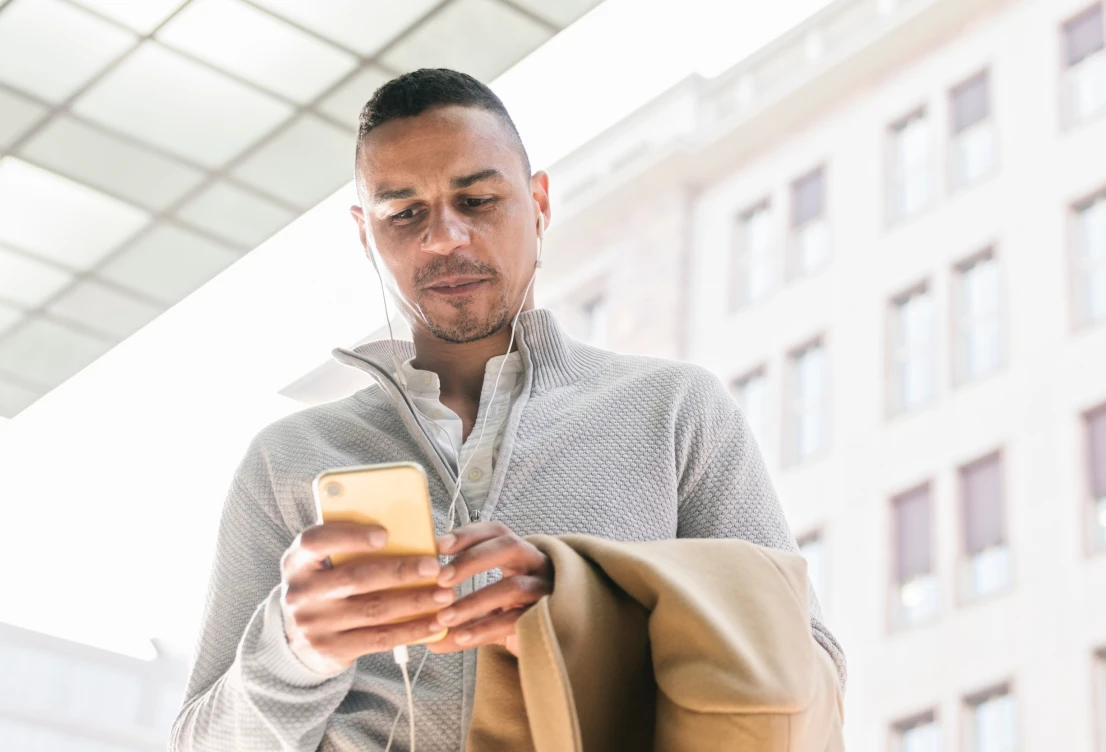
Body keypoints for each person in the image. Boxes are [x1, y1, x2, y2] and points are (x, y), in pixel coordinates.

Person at [170, 68, 844, 751]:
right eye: (404, 213)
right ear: (365, 234)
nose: (444, 238)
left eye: (478, 199)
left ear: (539, 203)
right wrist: (293, 651)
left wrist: (576, 602)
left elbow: (812, 679)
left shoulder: (675, 411)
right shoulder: (286, 461)